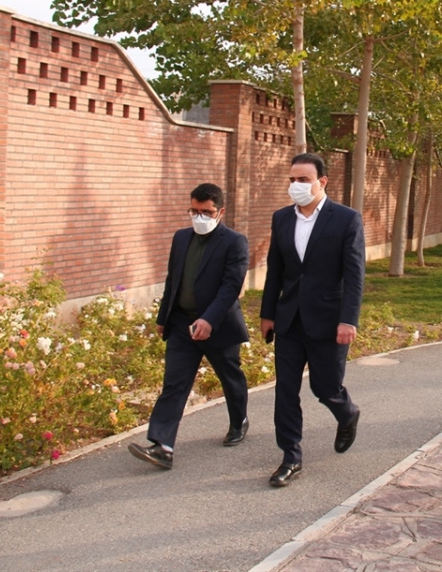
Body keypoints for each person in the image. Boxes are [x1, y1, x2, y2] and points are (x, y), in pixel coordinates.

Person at [260, 152, 366, 487]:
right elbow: (275, 270)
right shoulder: (281, 218)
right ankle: (290, 455)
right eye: (292, 179)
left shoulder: (346, 219)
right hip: (289, 319)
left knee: (325, 387)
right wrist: (267, 313)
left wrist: (348, 320)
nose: (296, 185)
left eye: (303, 180)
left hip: (329, 320)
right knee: (285, 390)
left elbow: (355, 275)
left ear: (322, 182)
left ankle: (347, 414)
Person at [128, 183, 251, 470]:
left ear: (220, 211)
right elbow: (173, 280)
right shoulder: (181, 238)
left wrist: (209, 319)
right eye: (194, 211)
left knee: (230, 377)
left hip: (218, 325)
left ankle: (239, 421)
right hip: (182, 323)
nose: (199, 217)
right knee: (174, 383)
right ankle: (162, 446)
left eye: (206, 212)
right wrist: (163, 318)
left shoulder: (235, 242)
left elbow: (230, 287)